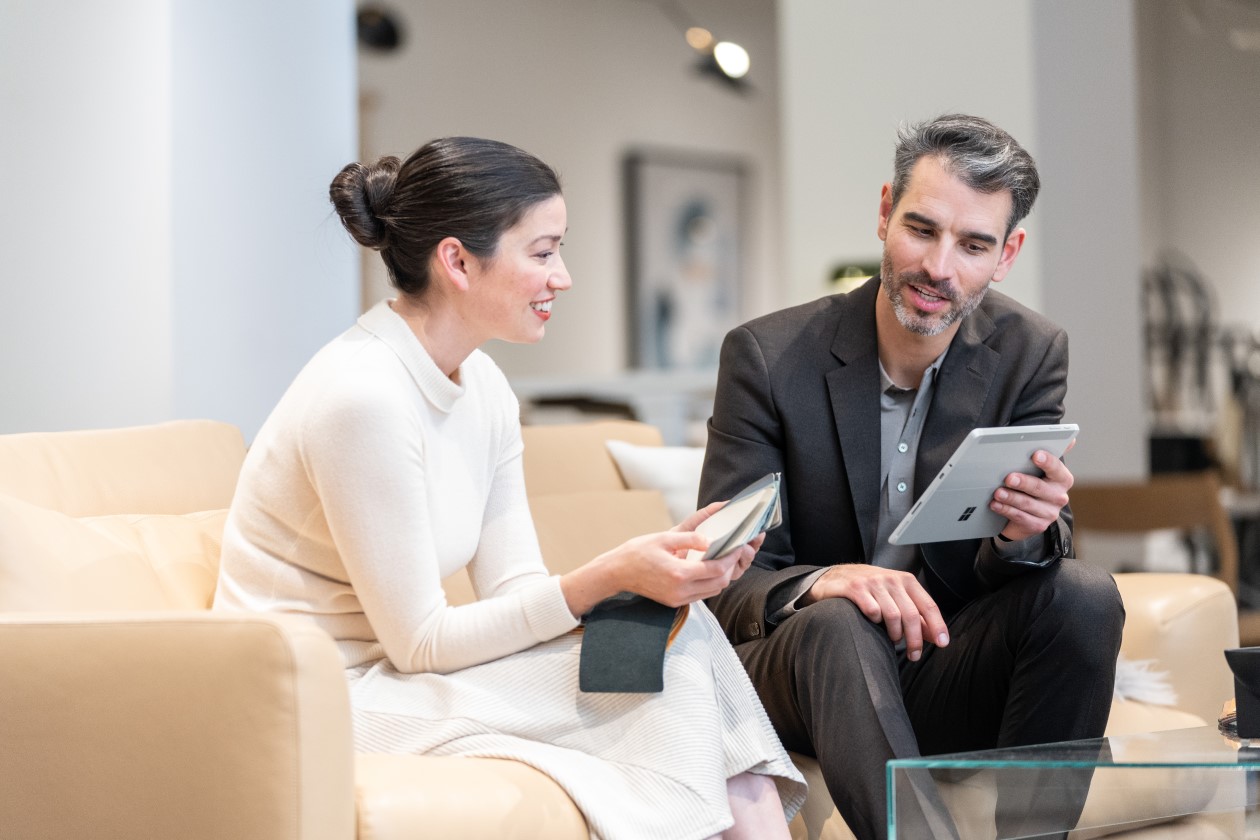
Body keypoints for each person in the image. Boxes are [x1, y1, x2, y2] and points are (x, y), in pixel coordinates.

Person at [213, 136, 805, 840]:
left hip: (404, 678)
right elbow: (420, 643)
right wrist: (606, 576)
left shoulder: (483, 385)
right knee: (669, 668)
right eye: (544, 251)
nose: (564, 276)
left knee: (675, 632)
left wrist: (650, 577)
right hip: (335, 694)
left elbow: (512, 585)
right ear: (458, 261)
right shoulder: (363, 396)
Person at [699, 114, 1125, 840]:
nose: (940, 267)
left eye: (973, 244)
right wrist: (823, 580)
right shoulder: (768, 358)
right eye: (921, 229)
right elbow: (722, 576)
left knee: (1085, 595)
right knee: (840, 619)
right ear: (884, 211)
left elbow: (1026, 567)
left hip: (938, 663)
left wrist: (1027, 533)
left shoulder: (1030, 352)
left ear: (1008, 253)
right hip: (802, 668)